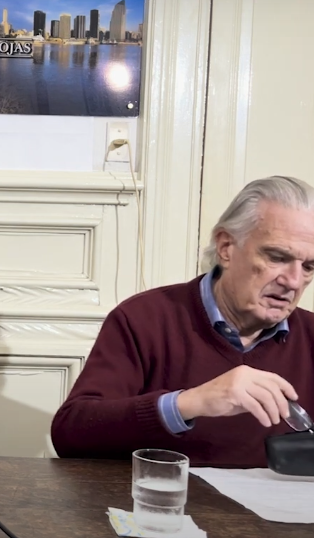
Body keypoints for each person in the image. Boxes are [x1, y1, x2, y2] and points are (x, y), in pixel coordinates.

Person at [51, 175, 314, 467]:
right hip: (160, 508)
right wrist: (190, 403)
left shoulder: (311, 336)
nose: (293, 281)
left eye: (309, 267)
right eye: (277, 257)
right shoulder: (144, 318)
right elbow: (70, 434)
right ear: (226, 247)